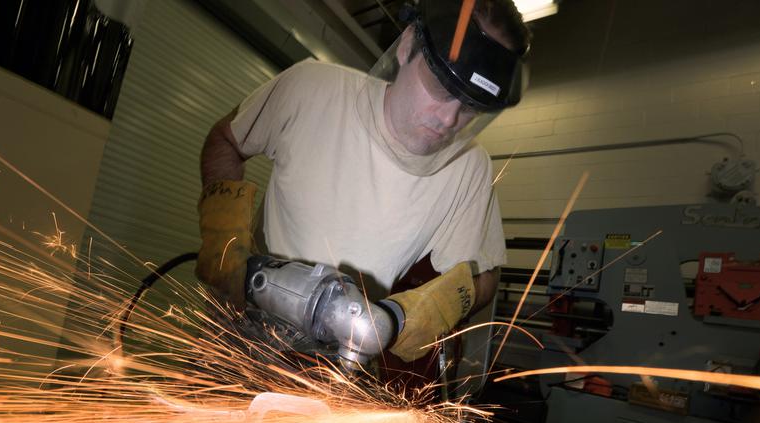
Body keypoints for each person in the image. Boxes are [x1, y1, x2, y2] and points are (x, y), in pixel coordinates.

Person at [196, 0, 530, 363]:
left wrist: (412, 314)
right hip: (235, 334)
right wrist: (225, 239)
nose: (449, 119)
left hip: (335, 364)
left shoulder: (468, 168)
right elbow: (227, 140)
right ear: (406, 46)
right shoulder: (312, 89)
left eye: (471, 106)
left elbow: (485, 276)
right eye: (442, 88)